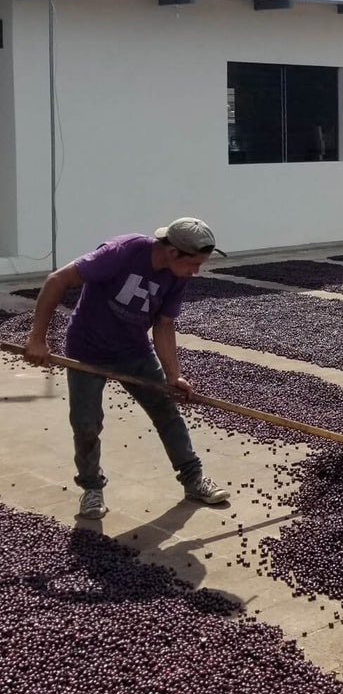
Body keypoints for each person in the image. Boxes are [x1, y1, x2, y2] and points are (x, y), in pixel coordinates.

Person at [24, 217, 229, 519]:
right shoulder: (121, 252)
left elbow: (164, 324)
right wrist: (37, 338)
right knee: (86, 423)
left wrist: (174, 376)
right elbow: (57, 280)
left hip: (134, 352)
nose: (196, 271)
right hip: (87, 351)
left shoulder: (177, 276)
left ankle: (193, 479)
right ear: (173, 252)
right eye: (194, 264)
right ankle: (92, 489)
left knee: (166, 412)